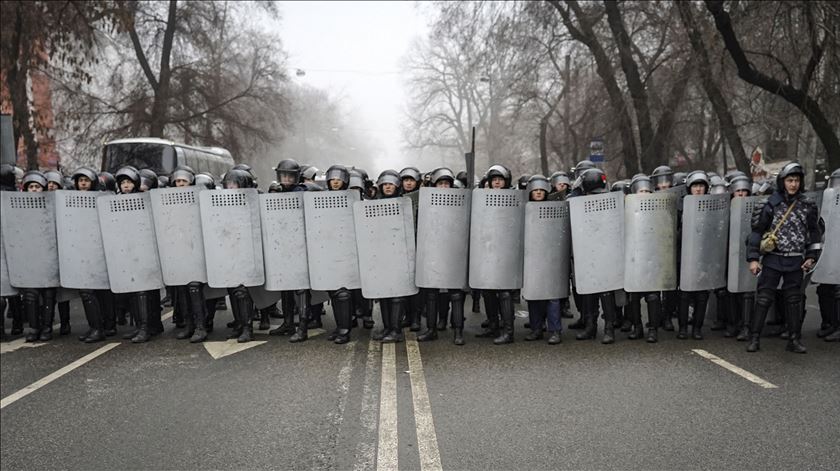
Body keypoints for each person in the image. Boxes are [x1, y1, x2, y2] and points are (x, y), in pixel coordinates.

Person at [745, 162, 821, 353]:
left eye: (796, 180)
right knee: (764, 298)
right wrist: (753, 259)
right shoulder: (770, 204)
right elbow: (757, 232)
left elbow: (814, 232)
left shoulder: (807, 205)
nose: (793, 184)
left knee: (794, 300)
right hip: (773, 258)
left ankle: (794, 339)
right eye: (790, 180)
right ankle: (754, 338)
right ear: (782, 181)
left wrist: (811, 256)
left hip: (795, 259)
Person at [523, 175, 562, 345]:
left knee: (552, 296)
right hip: (531, 258)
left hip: (550, 257)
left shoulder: (555, 209)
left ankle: (555, 331)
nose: (538, 193)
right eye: (535, 190)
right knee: (533, 295)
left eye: (541, 190)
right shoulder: (525, 209)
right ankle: (536, 328)